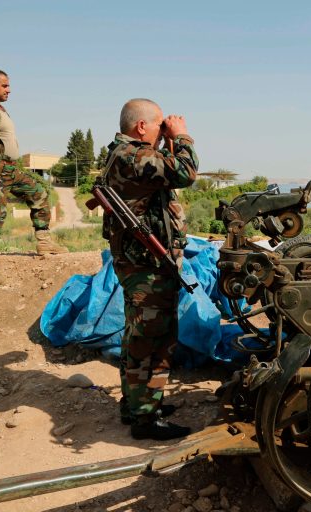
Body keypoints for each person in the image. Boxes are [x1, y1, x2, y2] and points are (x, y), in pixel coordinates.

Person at [102, 98, 198, 440]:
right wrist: (183, 135)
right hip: (147, 266)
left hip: (141, 263)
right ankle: (146, 418)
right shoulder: (134, 155)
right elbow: (185, 171)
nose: (165, 130)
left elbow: (167, 171)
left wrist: (169, 141)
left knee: (137, 334)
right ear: (141, 126)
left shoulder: (125, 155)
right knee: (153, 338)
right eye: (159, 125)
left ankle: (138, 405)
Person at [0, 68, 68, 285]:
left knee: (40, 193)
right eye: (4, 85)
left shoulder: (0, 109)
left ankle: (43, 242)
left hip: (11, 168)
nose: (9, 90)